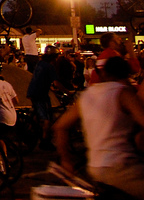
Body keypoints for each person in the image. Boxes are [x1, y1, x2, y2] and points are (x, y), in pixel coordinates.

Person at [54, 55, 144, 198]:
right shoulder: (123, 93)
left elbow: (61, 126)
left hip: (95, 167)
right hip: (121, 167)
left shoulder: (88, 94)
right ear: (126, 74)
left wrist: (66, 159)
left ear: (104, 73)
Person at [27, 48, 60, 151]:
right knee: (48, 118)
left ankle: (31, 130)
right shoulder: (49, 66)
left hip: (33, 92)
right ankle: (45, 140)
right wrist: (67, 92)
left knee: (38, 113)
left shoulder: (40, 63)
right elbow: (56, 82)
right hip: (40, 94)